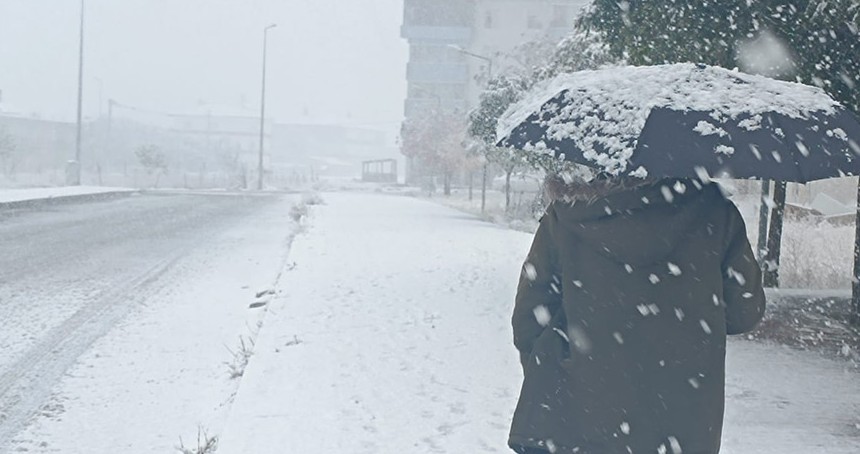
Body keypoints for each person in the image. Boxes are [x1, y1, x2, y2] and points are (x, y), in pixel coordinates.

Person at [509, 171, 766, 454]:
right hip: (681, 420)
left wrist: (560, 374)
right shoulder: (714, 212)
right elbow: (744, 312)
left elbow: (530, 318)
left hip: (574, 418)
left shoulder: (569, 213)